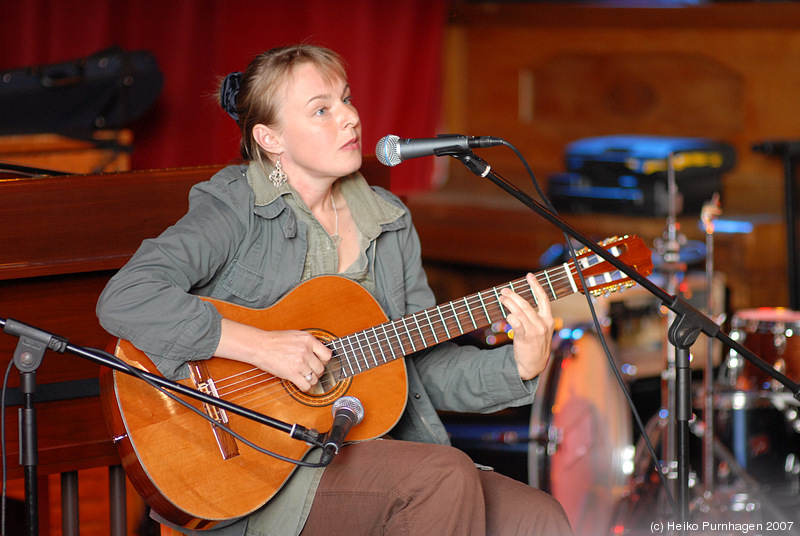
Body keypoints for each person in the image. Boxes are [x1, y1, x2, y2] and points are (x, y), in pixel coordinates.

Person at [97, 44, 573, 536]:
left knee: (540, 518)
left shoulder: (388, 220)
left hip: (371, 456)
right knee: (441, 477)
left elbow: (419, 371)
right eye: (322, 109)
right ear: (270, 137)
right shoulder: (236, 205)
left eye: (346, 100)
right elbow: (128, 295)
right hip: (258, 466)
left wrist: (519, 367)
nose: (349, 118)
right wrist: (262, 347)